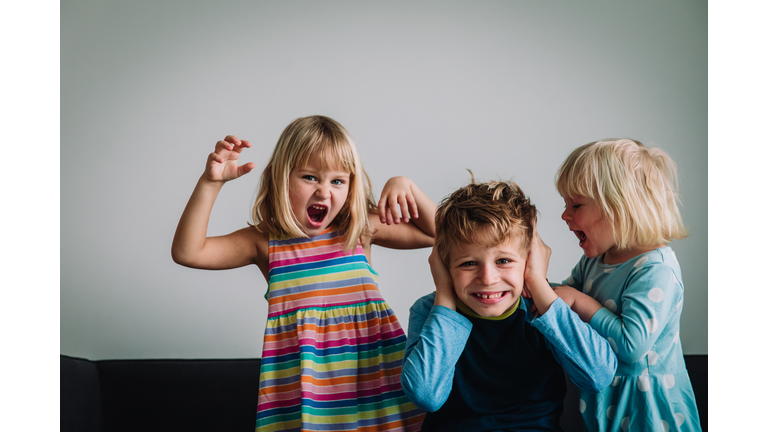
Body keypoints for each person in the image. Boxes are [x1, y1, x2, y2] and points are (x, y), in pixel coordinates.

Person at [171, 115, 434, 431]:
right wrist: (210, 183)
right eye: (310, 177)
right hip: (309, 400)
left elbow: (442, 236)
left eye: (337, 181)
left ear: (351, 186)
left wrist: (407, 186)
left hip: (375, 386)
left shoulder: (359, 229)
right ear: (282, 178)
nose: (324, 192)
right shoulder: (263, 242)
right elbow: (188, 252)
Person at [400, 179, 617, 432]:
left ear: (529, 259)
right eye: (468, 263)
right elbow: (426, 395)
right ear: (445, 266)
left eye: (503, 260)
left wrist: (537, 283)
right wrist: (445, 296)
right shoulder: (431, 310)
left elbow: (598, 376)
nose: (488, 278)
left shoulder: (546, 305)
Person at [552, 139, 703, 431]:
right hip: (607, 403)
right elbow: (563, 298)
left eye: (576, 205)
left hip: (648, 411)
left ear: (620, 207)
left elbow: (631, 345)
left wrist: (580, 302)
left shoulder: (655, 269)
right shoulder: (596, 260)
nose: (564, 215)